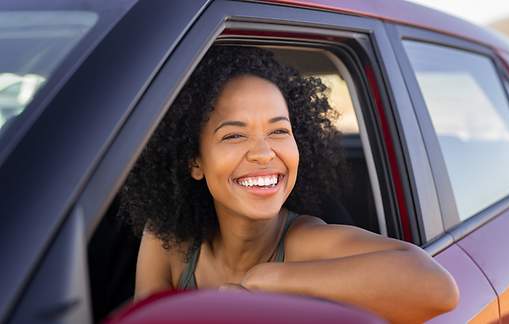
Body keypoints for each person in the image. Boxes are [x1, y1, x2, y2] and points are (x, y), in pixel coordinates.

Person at [120, 45, 459, 323]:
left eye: (279, 130)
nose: (264, 153)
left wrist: (267, 282)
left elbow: (438, 287)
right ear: (195, 161)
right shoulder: (168, 241)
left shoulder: (304, 243)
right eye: (234, 135)